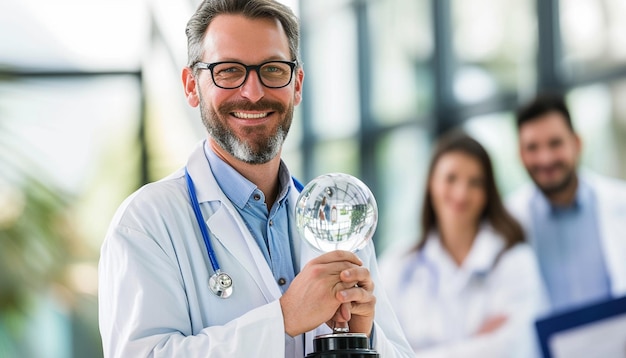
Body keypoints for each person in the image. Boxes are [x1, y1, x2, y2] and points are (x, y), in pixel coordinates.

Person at [97, 0, 413, 357]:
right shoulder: (146, 223)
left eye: (273, 70)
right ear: (191, 86)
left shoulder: (335, 224)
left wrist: (362, 339)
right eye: (229, 71)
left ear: (297, 85)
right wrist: (283, 318)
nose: (253, 92)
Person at [379, 131, 545, 357]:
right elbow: (379, 349)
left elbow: (512, 350)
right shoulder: (397, 266)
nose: (461, 193)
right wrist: (479, 344)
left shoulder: (514, 260)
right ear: (431, 184)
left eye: (475, 183)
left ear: (488, 192)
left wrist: (413, 353)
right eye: (451, 178)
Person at [507, 92, 626, 314]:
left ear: (577, 143)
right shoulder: (509, 221)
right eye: (533, 148)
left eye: (555, 143)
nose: (545, 159)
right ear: (521, 154)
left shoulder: (620, 203)